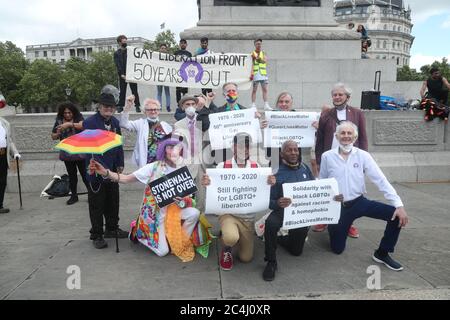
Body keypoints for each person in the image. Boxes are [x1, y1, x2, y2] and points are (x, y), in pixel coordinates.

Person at [89, 138, 200, 261]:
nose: (173, 151)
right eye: (170, 147)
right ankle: (139, 234)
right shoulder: (153, 167)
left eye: (177, 148)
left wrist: (182, 201)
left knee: (194, 213)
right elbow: (126, 179)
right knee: (163, 252)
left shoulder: (182, 169)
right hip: (156, 217)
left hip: (174, 212)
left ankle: (180, 241)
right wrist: (106, 172)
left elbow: (188, 200)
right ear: (164, 150)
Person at [320, 121, 408, 271]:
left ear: (355, 137)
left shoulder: (363, 156)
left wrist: (398, 205)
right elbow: (322, 181)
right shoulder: (327, 156)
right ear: (337, 136)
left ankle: (382, 253)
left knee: (396, 216)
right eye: (343, 133)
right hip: (339, 207)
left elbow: (380, 179)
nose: (346, 136)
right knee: (337, 249)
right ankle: (340, 227)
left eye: (349, 133)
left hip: (359, 202)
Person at [201, 133, 276, 270]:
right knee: (230, 238)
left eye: (247, 146)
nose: (244, 149)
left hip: (248, 218)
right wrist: (207, 185)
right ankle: (226, 248)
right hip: (229, 214)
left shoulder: (256, 167)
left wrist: (270, 183)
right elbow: (213, 193)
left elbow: (261, 191)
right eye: (240, 146)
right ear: (233, 148)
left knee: (246, 258)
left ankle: (236, 238)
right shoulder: (222, 166)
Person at [313, 83, 368, 238]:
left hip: (350, 160)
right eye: (334, 95)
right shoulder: (326, 115)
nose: (336, 97)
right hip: (331, 159)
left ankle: (349, 223)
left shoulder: (357, 114)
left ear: (347, 97)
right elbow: (320, 140)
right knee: (328, 190)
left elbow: (363, 138)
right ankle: (325, 219)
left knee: (349, 192)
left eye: (340, 95)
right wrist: (319, 160)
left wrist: (363, 161)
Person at [262, 140, 315, 281]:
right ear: (282, 154)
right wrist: (277, 203)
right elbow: (267, 200)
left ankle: (281, 239)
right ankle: (271, 261)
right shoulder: (276, 172)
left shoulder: (305, 168)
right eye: (289, 150)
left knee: (296, 252)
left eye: (295, 150)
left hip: (301, 213)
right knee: (271, 224)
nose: (293, 153)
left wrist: (332, 197)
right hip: (282, 210)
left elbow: (316, 189)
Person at [83, 87, 127, 249]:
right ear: (99, 107)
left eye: (111, 107)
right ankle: (97, 234)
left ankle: (112, 228)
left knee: (113, 201)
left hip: (113, 169)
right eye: (105, 107)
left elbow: (119, 144)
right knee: (97, 204)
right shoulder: (90, 123)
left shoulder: (115, 122)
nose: (109, 109)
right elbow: (90, 149)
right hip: (96, 170)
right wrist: (102, 170)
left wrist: (120, 163)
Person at [51, 102, 88, 205]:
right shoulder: (59, 121)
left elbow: (84, 126)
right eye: (65, 113)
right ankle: (74, 196)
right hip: (67, 152)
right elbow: (53, 136)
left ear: (73, 112)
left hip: (80, 151)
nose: (67, 115)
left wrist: (69, 124)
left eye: (69, 113)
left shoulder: (78, 118)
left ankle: (91, 194)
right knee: (72, 176)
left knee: (85, 175)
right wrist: (58, 133)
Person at [119, 95, 172, 168]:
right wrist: (127, 107)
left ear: (158, 111)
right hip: (146, 163)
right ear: (145, 112)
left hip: (162, 163)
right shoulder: (140, 123)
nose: (153, 111)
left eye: (155, 109)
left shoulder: (166, 126)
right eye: (150, 110)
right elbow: (124, 124)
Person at [0, 99, 21, 214]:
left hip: (2, 156)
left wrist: (15, 152)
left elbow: (10, 140)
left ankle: (0, 205)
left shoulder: (4, 123)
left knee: (2, 181)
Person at [114, 35, 141, 113]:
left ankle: (137, 106)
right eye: (123, 42)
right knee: (122, 91)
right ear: (119, 42)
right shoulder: (116, 53)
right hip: (122, 74)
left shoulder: (130, 52)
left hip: (131, 74)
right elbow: (117, 64)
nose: (125, 43)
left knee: (134, 91)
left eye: (126, 41)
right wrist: (121, 74)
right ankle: (120, 106)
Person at [251, 39, 270, 110]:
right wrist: (251, 74)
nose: (259, 45)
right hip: (256, 74)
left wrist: (258, 59)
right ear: (255, 45)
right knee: (254, 90)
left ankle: (266, 104)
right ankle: (253, 104)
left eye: (260, 44)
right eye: (257, 44)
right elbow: (251, 64)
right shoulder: (252, 53)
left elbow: (264, 61)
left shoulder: (263, 53)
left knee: (265, 89)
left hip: (263, 74)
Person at [174, 39, 192, 104]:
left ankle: (185, 103)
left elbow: (191, 64)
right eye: (181, 43)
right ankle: (179, 104)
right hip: (178, 74)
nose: (183, 44)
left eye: (184, 43)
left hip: (185, 74)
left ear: (186, 45)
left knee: (185, 91)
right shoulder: (176, 53)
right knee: (178, 90)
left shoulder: (189, 54)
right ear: (179, 44)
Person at [156, 43, 172, 112]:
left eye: (164, 48)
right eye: (162, 48)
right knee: (159, 92)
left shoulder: (169, 57)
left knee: (167, 92)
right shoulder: (156, 57)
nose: (163, 49)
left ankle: (168, 106)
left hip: (166, 76)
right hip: (159, 77)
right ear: (160, 49)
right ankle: (159, 107)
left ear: (166, 49)